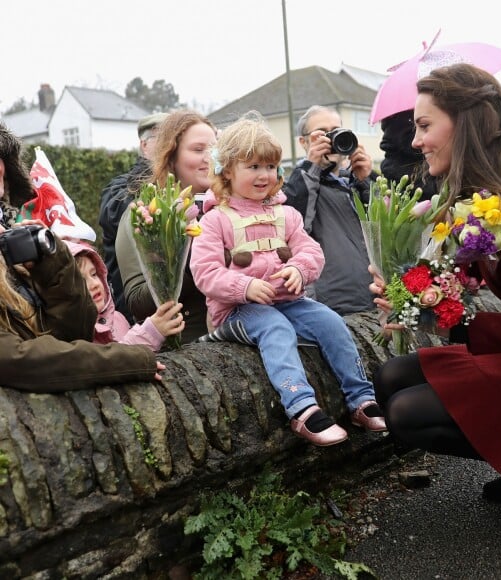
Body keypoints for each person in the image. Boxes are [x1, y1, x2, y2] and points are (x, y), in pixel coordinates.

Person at [371, 63, 501, 527]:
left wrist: (462, 327)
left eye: (424, 126)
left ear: (466, 124)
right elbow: (450, 272)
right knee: (389, 380)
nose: (415, 141)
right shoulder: (479, 191)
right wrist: (404, 294)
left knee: (407, 412)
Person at [190, 113, 387, 447]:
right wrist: (245, 287)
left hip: (288, 303)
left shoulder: (286, 214)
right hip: (237, 312)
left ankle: (361, 399)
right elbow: (205, 273)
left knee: (330, 321)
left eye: (270, 167)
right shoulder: (214, 220)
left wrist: (299, 269)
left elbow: (312, 252)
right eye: (253, 167)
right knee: (273, 328)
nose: (264, 175)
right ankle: (302, 409)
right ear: (227, 171)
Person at [0, 123, 165, 391]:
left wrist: (52, 260)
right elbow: (20, 361)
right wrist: (130, 360)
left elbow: (74, 331)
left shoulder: (17, 251)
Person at [115, 109, 217, 343]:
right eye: (198, 149)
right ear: (171, 157)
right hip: (186, 347)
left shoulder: (234, 206)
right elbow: (138, 303)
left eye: (214, 149)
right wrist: (189, 260)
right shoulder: (145, 214)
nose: (209, 157)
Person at [284, 105, 376, 315]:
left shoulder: (355, 181)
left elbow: (384, 232)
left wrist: (366, 180)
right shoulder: (297, 184)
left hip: (375, 299)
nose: (331, 139)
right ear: (303, 142)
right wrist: (312, 167)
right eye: (322, 134)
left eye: (336, 130)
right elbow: (295, 222)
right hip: (332, 307)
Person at [99, 112, 169, 320]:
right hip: (136, 316)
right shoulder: (122, 186)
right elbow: (119, 216)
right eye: (162, 138)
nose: (169, 145)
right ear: (144, 145)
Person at [65, 240, 184, 349]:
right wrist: (151, 333)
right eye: (81, 281)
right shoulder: (71, 337)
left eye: (94, 274)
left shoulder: (118, 318)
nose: (94, 284)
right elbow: (108, 367)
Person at [379, 108, 438, 201]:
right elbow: (432, 195)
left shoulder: (392, 159)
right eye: (423, 126)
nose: (417, 141)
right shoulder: (403, 164)